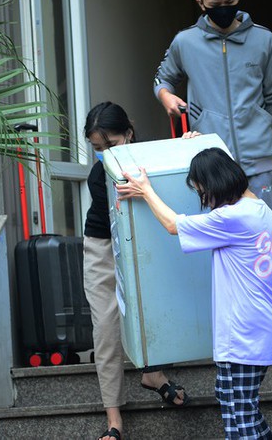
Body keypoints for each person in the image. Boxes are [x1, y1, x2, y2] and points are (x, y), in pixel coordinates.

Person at [117, 146, 272, 440]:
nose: (204, 200)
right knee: (229, 399)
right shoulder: (259, 210)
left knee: (241, 416)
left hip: (245, 330)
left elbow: (173, 225)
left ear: (215, 185)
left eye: (202, 192)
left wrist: (146, 191)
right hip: (259, 325)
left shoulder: (236, 218)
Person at [82, 101, 188, 440]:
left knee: (154, 308)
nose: (104, 153)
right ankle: (114, 421)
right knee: (106, 324)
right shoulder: (99, 177)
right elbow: (116, 228)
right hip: (103, 245)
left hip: (147, 240)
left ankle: (153, 374)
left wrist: (192, 144)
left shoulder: (155, 158)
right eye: (97, 149)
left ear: (128, 134)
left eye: (111, 145)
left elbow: (184, 170)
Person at [153, 0, 272, 209]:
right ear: (201, 4)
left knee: (263, 231)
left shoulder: (263, 39)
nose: (223, 10)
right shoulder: (185, 42)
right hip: (213, 160)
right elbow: (162, 79)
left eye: (229, 4)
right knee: (224, 238)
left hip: (258, 156)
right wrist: (166, 96)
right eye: (215, 6)